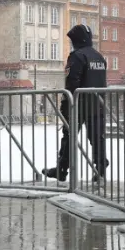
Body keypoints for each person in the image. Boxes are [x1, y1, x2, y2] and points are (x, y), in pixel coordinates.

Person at [43, 24, 109, 182]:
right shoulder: (99, 57)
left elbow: (72, 83)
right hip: (97, 104)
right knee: (97, 137)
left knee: (68, 136)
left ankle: (62, 168)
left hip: (78, 105)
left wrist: (66, 104)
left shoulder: (77, 56)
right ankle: (100, 167)